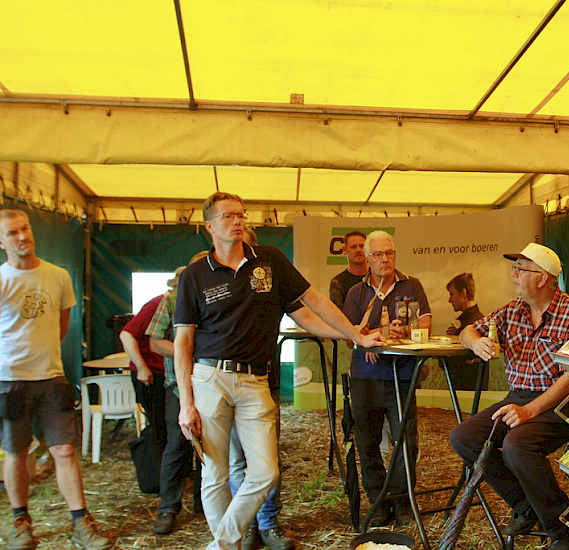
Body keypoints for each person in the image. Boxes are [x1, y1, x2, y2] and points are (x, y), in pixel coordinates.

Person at [173, 192, 384, 550]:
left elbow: (312, 306)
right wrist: (185, 402)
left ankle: (220, 544)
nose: (237, 221)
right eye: (227, 216)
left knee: (266, 471)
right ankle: (231, 545)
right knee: (215, 473)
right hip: (210, 377)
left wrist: (355, 335)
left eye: (241, 215)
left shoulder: (268, 260)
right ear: (209, 226)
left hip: (256, 379)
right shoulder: (194, 276)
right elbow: (183, 343)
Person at [450, 243, 569, 550]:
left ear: (542, 278)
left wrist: (529, 411)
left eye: (520, 269)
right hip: (519, 396)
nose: (514, 275)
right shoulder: (511, 310)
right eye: (514, 268)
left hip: (566, 402)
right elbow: (467, 331)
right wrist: (475, 342)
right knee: (464, 437)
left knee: (516, 445)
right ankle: (527, 504)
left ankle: (562, 529)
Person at [0, 209, 113, 550]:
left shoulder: (58, 275)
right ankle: (21, 523)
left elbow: (62, 327)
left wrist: (44, 359)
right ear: (2, 240)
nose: (22, 237)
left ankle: (82, 523)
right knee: (16, 452)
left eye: (25, 229)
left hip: (52, 377)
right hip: (9, 380)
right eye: (13, 232)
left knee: (64, 450)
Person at [342, 230, 431, 527]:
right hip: (365, 377)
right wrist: (369, 337)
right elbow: (348, 336)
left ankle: (402, 499)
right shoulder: (356, 293)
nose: (385, 259)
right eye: (378, 255)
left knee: (406, 441)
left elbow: (426, 326)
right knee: (366, 442)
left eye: (389, 253)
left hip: (402, 376)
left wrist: (403, 332)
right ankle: (377, 500)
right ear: (367, 260)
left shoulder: (412, 285)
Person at [227, 226, 294, 550]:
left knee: (266, 460)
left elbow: (304, 308)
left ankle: (268, 524)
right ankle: (248, 525)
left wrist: (349, 333)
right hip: (224, 385)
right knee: (236, 461)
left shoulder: (270, 285)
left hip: (264, 382)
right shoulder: (216, 283)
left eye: (250, 249)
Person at [147, 258, 207, 535]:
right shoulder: (171, 299)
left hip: (213, 385)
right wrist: (185, 353)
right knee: (177, 446)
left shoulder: (222, 296)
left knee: (212, 447)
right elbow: (155, 341)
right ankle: (168, 507)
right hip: (177, 385)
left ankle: (203, 503)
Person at [120, 290, 168, 458]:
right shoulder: (157, 305)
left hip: (170, 375)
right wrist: (142, 367)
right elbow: (126, 335)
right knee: (160, 426)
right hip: (151, 374)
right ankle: (155, 474)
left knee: (169, 427)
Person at [444, 273, 486, 391]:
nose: (449, 300)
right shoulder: (475, 321)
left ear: (463, 293)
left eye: (452, 294)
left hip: (468, 392)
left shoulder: (474, 324)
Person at [330, 230, 368, 309]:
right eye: (353, 247)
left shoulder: (377, 277)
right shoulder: (338, 282)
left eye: (362, 246)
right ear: (345, 250)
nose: (358, 250)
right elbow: (337, 316)